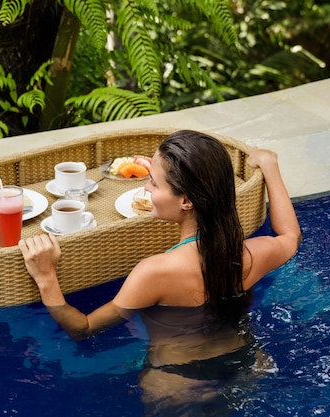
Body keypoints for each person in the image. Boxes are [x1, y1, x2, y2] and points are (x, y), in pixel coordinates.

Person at [18, 130, 301, 413]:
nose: (146, 190)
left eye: (153, 183)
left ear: (186, 201)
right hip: (248, 363)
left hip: (179, 383)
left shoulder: (155, 272)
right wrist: (270, 166)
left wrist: (46, 278)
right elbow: (290, 237)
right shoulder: (249, 254)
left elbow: (83, 328)